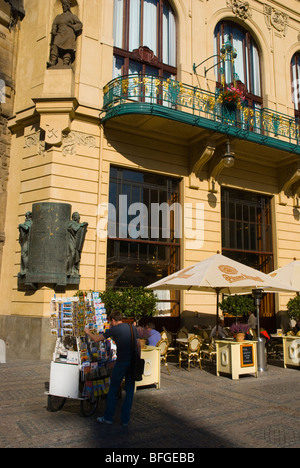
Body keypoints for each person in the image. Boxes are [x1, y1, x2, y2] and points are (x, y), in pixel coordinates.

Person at [84, 311, 139, 426]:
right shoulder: (131, 327)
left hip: (121, 362)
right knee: (129, 392)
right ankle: (125, 420)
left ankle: (108, 417)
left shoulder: (114, 329)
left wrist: (88, 333)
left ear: (113, 320)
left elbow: (96, 339)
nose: (110, 324)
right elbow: (138, 345)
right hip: (132, 363)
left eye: (110, 322)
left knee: (113, 389)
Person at [48, 0, 83, 68]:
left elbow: (80, 24)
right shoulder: (58, 17)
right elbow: (54, 24)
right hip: (60, 34)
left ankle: (66, 63)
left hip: (69, 35)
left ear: (68, 6)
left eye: (65, 5)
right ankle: (53, 62)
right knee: (55, 45)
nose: (63, 7)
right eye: (63, 5)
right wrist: (54, 30)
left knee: (68, 49)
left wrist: (73, 27)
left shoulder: (72, 16)